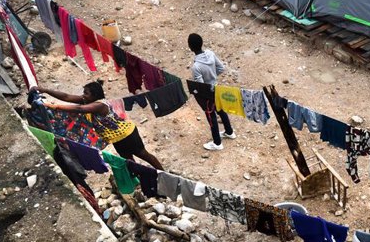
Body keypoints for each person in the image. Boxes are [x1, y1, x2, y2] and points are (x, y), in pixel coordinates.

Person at [33, 81, 164, 170]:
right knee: (128, 160)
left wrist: (53, 105)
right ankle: (141, 178)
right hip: (116, 138)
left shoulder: (99, 105)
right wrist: (44, 90)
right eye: (83, 92)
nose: (83, 95)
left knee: (143, 154)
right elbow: (67, 96)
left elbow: (79, 109)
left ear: (94, 96)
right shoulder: (88, 100)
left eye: (86, 93)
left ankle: (162, 172)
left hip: (127, 134)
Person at [188, 32, 235, 151]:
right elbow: (221, 68)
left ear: (190, 47)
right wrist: (213, 77)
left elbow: (201, 85)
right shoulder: (210, 53)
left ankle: (217, 143)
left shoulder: (196, 67)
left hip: (208, 94)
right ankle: (229, 132)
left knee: (211, 115)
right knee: (221, 110)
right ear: (201, 43)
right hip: (216, 88)